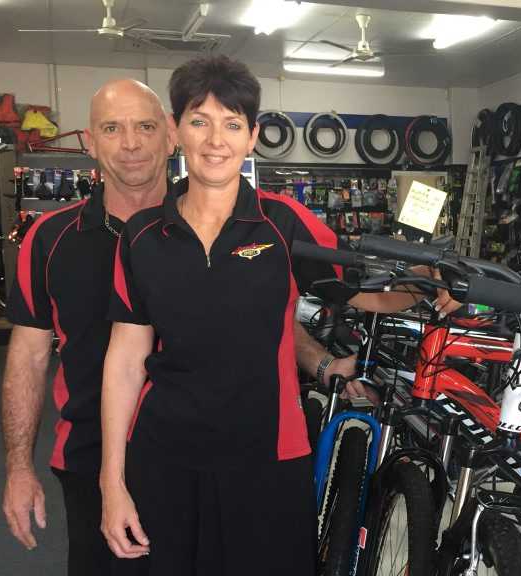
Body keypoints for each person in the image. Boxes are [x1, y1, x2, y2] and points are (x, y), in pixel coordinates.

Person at [100, 55, 454, 574]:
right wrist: (113, 481)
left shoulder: (283, 223)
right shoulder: (143, 237)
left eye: (232, 124)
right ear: (176, 131)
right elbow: (126, 359)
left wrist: (431, 283)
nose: (215, 140)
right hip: (167, 457)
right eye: (199, 121)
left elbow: (367, 293)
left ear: (252, 137)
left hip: (267, 457)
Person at [0, 78, 361, 576]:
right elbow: (29, 356)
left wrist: (323, 363)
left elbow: (260, 318)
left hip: (221, 453)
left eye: (144, 127)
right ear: (90, 139)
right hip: (94, 457)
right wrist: (19, 468)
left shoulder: (237, 218)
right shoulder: (50, 239)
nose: (130, 144)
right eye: (112, 128)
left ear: (167, 135)